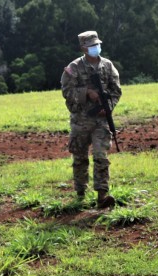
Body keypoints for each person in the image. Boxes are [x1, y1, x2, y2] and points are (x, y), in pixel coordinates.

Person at [61, 31, 122, 208]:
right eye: (91, 46)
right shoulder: (73, 68)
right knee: (80, 158)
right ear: (83, 48)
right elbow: (67, 92)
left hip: (101, 121)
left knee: (101, 156)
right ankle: (80, 193)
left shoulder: (108, 66)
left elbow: (116, 90)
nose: (96, 48)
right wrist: (86, 93)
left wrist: (107, 106)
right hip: (80, 121)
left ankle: (102, 195)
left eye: (97, 45)